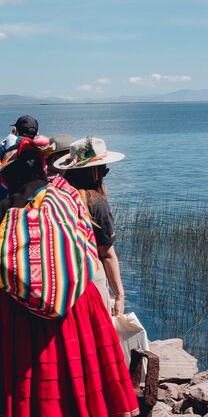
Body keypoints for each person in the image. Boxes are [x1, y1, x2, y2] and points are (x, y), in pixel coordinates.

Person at [0, 136, 138, 417]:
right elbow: (90, 248)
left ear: (8, 177)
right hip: (74, 302)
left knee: (10, 373)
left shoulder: (5, 211)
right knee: (85, 372)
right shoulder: (70, 199)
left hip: (13, 307)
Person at [48, 137, 128, 320]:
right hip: (89, 282)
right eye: (104, 170)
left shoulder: (53, 193)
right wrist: (119, 296)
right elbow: (107, 255)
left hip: (58, 283)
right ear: (95, 171)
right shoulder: (95, 202)